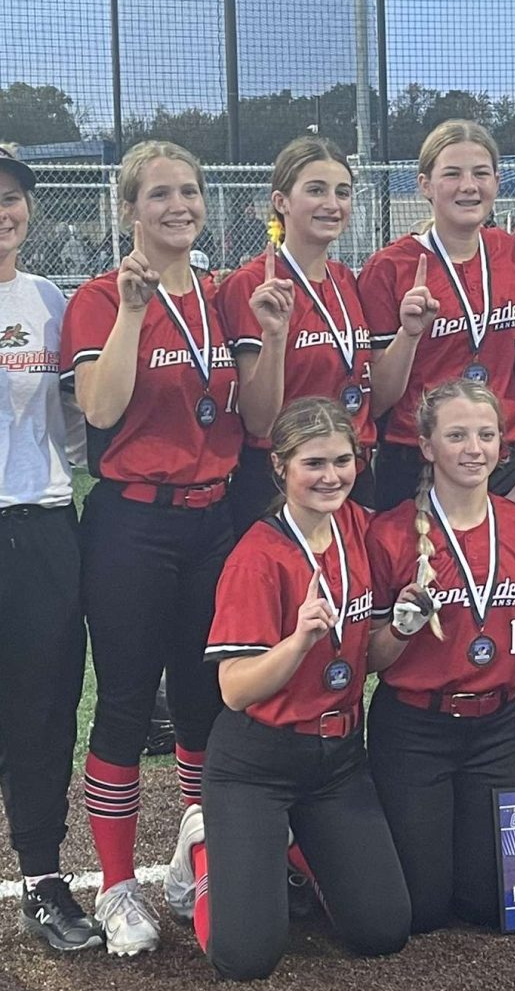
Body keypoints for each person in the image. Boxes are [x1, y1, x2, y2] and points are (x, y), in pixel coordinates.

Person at [59, 140, 288, 955]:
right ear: (129, 209)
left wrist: (273, 337)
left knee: (203, 701)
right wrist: (131, 312)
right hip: (132, 523)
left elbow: (259, 420)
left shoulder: (224, 297)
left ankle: (194, 857)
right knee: (126, 701)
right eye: (159, 194)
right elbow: (100, 410)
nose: (179, 205)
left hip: (212, 521)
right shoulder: (99, 297)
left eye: (189, 191)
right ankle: (118, 884)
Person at [164, 397, 411, 980]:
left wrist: (403, 626)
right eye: (313, 463)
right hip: (258, 762)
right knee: (246, 959)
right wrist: (297, 642)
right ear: (280, 467)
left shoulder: (360, 527)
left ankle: (296, 854)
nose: (332, 476)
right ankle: (202, 845)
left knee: (383, 931)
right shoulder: (257, 557)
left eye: (343, 461)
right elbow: (234, 690)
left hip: (339, 760)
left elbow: (368, 659)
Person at [365, 379, 515, 932]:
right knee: (422, 912)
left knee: (489, 906)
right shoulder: (390, 533)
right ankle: (312, 861)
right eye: (457, 435)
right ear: (427, 445)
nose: (474, 449)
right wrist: (399, 628)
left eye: (486, 435)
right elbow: (370, 661)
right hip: (416, 730)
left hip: (496, 728)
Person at [0, 144, 102, 951]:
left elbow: (72, 421)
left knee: (41, 711)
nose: (3, 211)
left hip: (39, 526)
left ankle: (42, 880)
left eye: (11, 197)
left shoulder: (48, 300)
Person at [358, 119, 515, 512]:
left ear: (497, 181)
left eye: (480, 173)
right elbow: (377, 399)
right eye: (452, 174)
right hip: (419, 462)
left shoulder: (507, 252)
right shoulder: (389, 267)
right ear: (425, 185)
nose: (468, 186)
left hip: (499, 457)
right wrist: (409, 336)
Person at [219, 136, 376, 531]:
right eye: (316, 190)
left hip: (350, 471)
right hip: (282, 478)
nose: (332, 204)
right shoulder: (252, 284)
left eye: (342, 192)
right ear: (281, 201)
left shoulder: (346, 280)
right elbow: (258, 420)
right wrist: (275, 337)